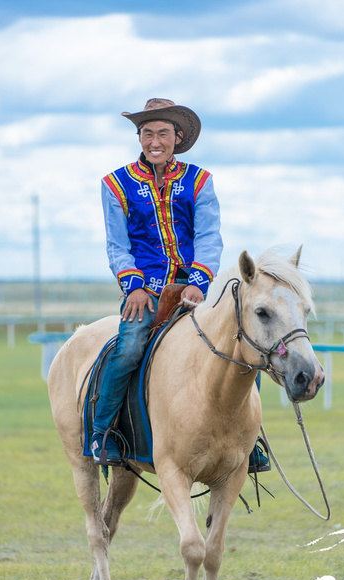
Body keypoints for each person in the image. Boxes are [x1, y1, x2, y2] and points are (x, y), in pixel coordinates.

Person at [91, 98, 223, 465]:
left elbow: (209, 236)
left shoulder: (199, 181)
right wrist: (132, 286)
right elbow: (117, 244)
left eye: (162, 133)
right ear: (139, 137)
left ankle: (248, 439)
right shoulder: (116, 184)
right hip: (145, 290)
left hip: (193, 287)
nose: (154, 141)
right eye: (147, 133)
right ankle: (103, 434)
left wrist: (199, 280)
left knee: (238, 344)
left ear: (177, 137)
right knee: (129, 348)